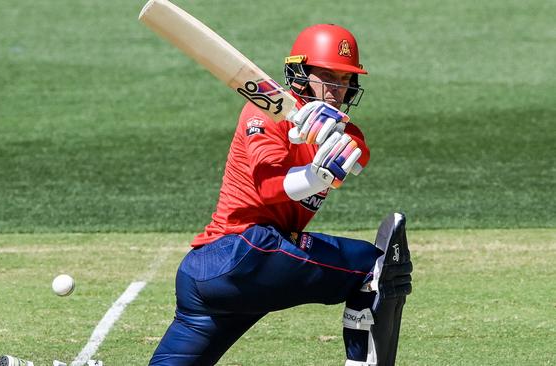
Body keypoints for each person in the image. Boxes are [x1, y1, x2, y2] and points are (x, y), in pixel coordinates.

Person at [149, 24, 413, 366]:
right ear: (301, 75)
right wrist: (318, 174)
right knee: (374, 267)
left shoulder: (343, 134)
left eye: (346, 80)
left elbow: (359, 151)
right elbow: (270, 188)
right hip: (241, 253)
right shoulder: (261, 113)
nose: (338, 89)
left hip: (217, 277)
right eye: (329, 76)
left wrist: (334, 139)